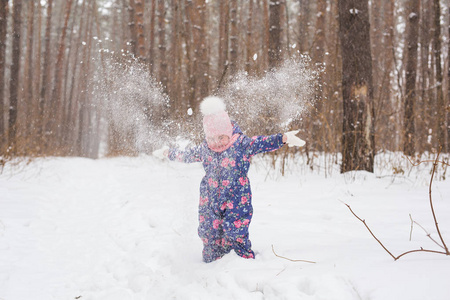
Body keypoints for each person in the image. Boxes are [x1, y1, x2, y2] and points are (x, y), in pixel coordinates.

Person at [154, 96, 305, 263]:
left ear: (228, 132)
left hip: (237, 196)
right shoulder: (205, 149)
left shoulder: (241, 144)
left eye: (221, 138)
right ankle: (211, 261)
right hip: (210, 197)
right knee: (208, 231)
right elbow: (187, 155)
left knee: (235, 229)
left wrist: (283, 138)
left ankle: (241, 262)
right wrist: (169, 153)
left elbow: (261, 142)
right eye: (211, 139)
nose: (216, 143)